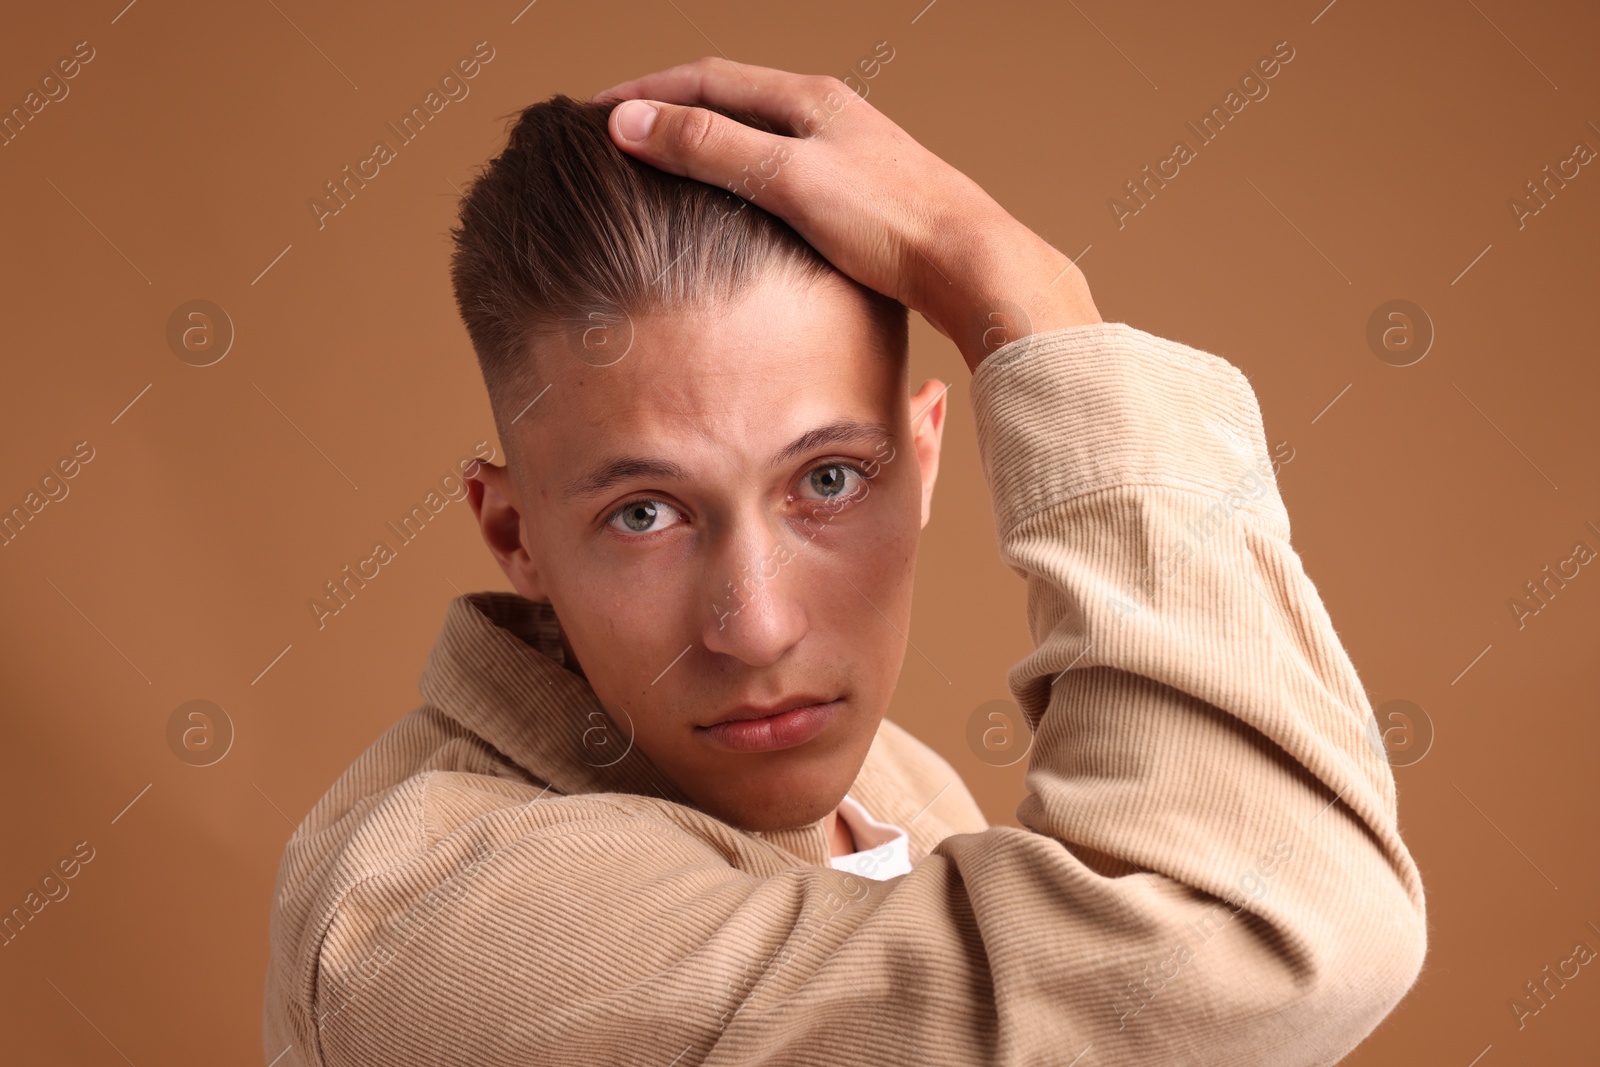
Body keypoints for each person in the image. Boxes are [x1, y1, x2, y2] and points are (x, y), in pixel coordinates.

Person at [262, 57, 1427, 1066]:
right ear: (514, 534)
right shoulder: (435, 922)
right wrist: (1028, 300)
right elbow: (1265, 943)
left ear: (922, 459)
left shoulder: (896, 789)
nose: (756, 627)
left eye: (826, 480)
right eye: (644, 512)